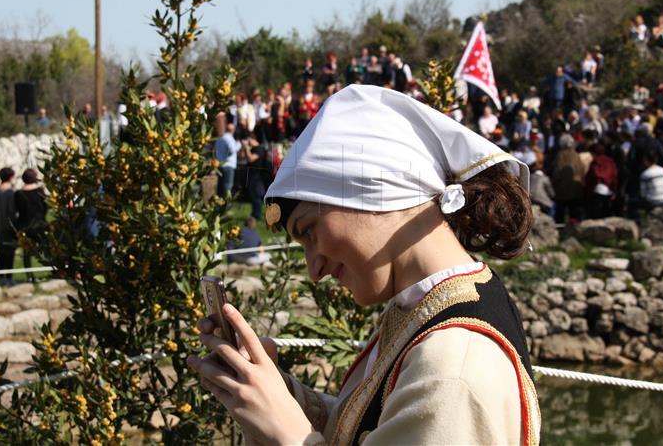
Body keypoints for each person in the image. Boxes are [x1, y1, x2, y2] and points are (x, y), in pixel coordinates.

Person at [188, 85, 540, 445]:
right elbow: (368, 428)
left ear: (371, 190)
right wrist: (280, 397)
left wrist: (289, 437)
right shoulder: (428, 309)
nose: (314, 271)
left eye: (309, 231)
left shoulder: (452, 367)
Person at [14, 169, 48, 282]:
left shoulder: (19, 194)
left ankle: (29, 275)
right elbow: (45, 207)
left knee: (27, 253)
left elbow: (16, 210)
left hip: (25, 225)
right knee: (47, 248)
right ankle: (55, 270)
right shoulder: (40, 191)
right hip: (40, 224)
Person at [552, 134, 586, 224]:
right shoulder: (576, 154)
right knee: (574, 214)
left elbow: (557, 172)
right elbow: (582, 169)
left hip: (562, 190)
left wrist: (554, 183)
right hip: (576, 189)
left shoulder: (560, 155)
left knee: (560, 214)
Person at [0, 167, 17, 286]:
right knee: (9, 253)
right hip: (8, 226)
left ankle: (1, 277)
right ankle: (9, 277)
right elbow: (11, 211)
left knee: (1, 252)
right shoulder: (10, 193)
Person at [215, 124, 241, 198]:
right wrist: (239, 145)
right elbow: (232, 150)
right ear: (233, 130)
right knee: (227, 186)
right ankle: (225, 204)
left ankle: (217, 203)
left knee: (220, 187)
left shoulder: (220, 138)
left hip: (220, 165)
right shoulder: (229, 138)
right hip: (228, 165)